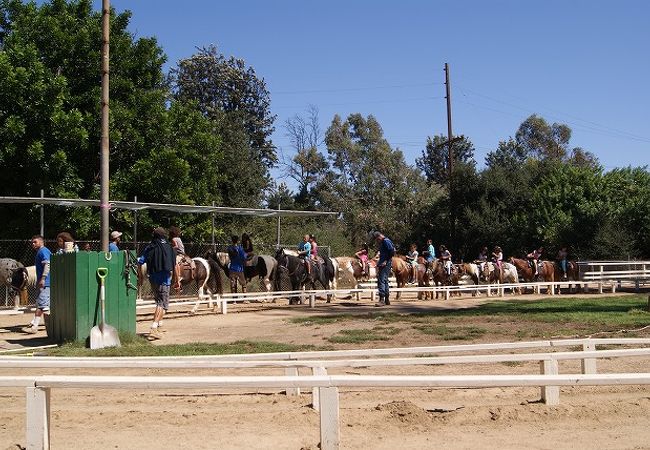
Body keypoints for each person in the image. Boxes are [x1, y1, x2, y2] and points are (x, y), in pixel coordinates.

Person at [138, 227, 175, 341]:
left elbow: (140, 262)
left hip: (152, 278)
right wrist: (177, 280)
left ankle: (159, 326)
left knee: (161, 303)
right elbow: (175, 265)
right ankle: (153, 328)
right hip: (165, 279)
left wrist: (141, 277)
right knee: (162, 304)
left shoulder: (150, 247)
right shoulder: (169, 247)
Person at [23, 235, 52, 334]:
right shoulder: (41, 252)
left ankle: (34, 327)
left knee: (43, 306)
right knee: (42, 305)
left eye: (35, 242)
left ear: (41, 241)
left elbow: (47, 264)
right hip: (44, 282)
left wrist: (43, 279)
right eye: (32, 242)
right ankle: (36, 325)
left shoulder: (43, 251)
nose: (33, 244)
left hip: (46, 282)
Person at [372, 231, 395, 306]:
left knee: (381, 281)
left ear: (379, 237)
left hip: (385, 264)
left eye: (377, 239)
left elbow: (392, 251)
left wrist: (385, 261)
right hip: (383, 263)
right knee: (385, 281)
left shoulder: (385, 241)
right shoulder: (385, 241)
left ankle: (382, 300)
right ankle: (387, 300)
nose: (377, 241)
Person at [168, 226, 190, 291]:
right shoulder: (178, 238)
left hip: (179, 254)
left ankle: (178, 280)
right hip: (183, 254)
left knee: (175, 263)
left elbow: (176, 246)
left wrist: (170, 248)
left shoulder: (174, 239)